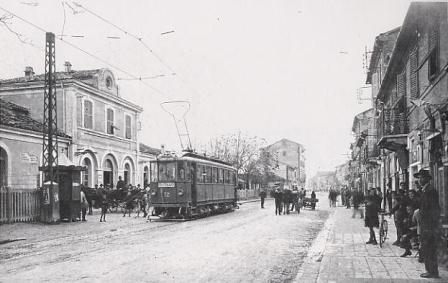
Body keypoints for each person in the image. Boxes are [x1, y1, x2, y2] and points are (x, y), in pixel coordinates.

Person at [414, 169, 440, 278]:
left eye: (421, 177)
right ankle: (430, 270)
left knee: (429, 248)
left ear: (427, 179)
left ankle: (432, 271)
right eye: (418, 177)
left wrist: (430, 225)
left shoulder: (430, 191)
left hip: (429, 225)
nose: (419, 180)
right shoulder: (424, 190)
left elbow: (433, 209)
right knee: (426, 247)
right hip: (425, 224)